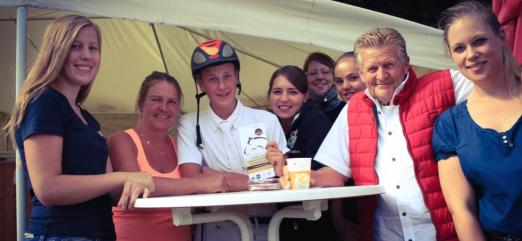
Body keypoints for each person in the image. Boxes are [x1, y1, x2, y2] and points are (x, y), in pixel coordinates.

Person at [306, 27, 473, 241]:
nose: (381, 75)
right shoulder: (353, 108)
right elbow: (335, 174)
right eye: (372, 68)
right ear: (362, 72)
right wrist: (294, 177)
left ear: (406, 64)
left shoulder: (447, 84)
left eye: (389, 65)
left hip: (444, 233)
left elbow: (500, 87)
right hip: (384, 235)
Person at [3, 15, 154, 241]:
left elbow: (111, 190)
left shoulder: (87, 119)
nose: (86, 55)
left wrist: (143, 182)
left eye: (93, 48)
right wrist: (125, 176)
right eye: (76, 46)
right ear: (56, 50)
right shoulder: (44, 102)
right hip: (59, 234)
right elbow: (48, 188)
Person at [176, 39, 288, 241]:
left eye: (227, 76)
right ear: (200, 83)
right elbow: (191, 180)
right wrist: (262, 183)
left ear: (237, 76)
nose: (221, 86)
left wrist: (212, 175)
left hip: (267, 228)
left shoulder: (267, 120)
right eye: (211, 79)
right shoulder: (189, 124)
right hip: (216, 229)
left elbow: (285, 179)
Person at [434, 1, 522, 241]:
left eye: (479, 41)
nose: (471, 54)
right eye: (459, 48)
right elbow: (462, 210)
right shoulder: (450, 125)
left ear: (501, 36)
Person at [108, 71, 229, 241]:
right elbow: (136, 186)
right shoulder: (122, 140)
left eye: (171, 102)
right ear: (140, 103)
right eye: (156, 99)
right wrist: (199, 184)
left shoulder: (181, 146)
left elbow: (216, 180)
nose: (164, 107)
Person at [266, 65, 338, 241]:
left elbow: (320, 171)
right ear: (269, 95)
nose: (284, 99)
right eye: (277, 92)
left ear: (305, 95)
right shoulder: (268, 123)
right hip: (284, 219)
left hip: (315, 221)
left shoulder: (315, 120)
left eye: (292, 92)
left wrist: (284, 164)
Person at [303, 52, 345, 122]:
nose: (319, 77)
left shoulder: (346, 111)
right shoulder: (298, 111)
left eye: (325, 72)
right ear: (305, 77)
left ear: (334, 76)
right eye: (313, 73)